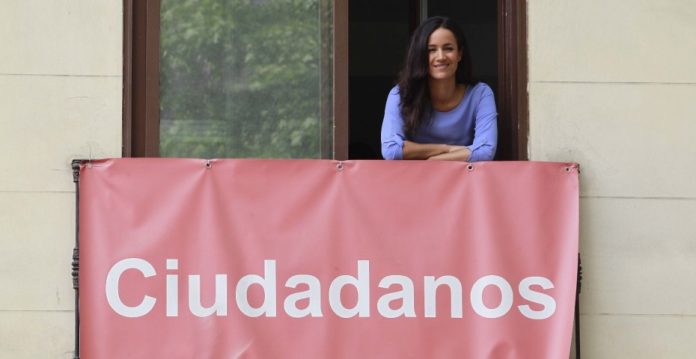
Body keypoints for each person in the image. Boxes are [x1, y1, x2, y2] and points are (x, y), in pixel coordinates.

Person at [381, 16, 497, 161]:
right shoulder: (401, 94)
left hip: (464, 182)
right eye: (431, 50)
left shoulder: (480, 94)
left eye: (448, 48)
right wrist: (445, 148)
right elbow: (391, 151)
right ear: (420, 55)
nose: (441, 56)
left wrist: (434, 161)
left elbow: (485, 151)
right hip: (413, 181)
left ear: (459, 54)